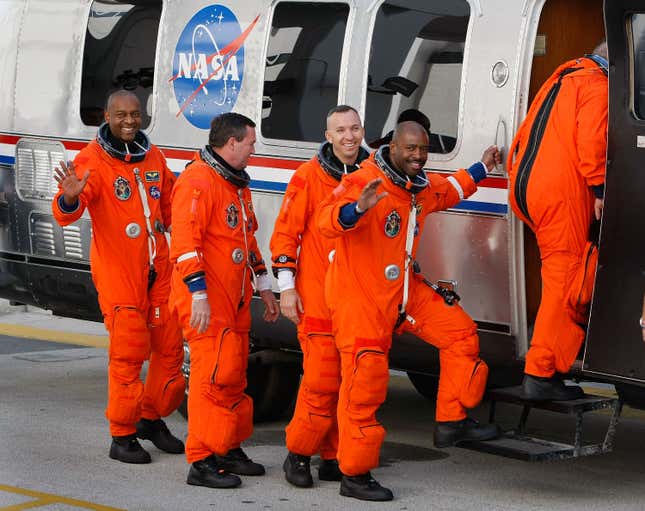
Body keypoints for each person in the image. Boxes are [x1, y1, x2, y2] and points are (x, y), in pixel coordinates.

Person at [317, 121, 501, 501]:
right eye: (411, 149)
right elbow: (326, 220)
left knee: (460, 334)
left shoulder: (416, 186)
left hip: (402, 294)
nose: (418, 156)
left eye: (423, 149)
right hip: (361, 300)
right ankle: (354, 475)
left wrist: (482, 167)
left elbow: (448, 191)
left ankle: (452, 421)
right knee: (364, 387)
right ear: (394, 147)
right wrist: (357, 209)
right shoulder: (364, 180)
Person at [52, 90, 185, 464]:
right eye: (121, 115)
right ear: (106, 116)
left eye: (135, 114)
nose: (130, 121)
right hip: (119, 273)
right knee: (128, 353)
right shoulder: (91, 161)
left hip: (158, 270)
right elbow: (65, 212)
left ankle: (150, 417)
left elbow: (171, 205)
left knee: (171, 349)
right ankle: (122, 434)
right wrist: (70, 198)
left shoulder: (152, 156)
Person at [169, 112, 280, 489]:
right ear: (231, 143)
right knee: (208, 381)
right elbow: (185, 246)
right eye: (250, 143)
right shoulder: (197, 181)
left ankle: (228, 446)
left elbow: (247, 241)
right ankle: (201, 460)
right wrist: (198, 295)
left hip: (232, 301)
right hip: (206, 303)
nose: (253, 149)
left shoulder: (234, 185)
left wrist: (264, 287)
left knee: (232, 379)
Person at [270, 105, 370, 488]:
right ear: (327, 136)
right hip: (317, 299)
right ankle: (298, 454)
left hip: (357, 303)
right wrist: (288, 288)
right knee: (321, 383)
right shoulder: (308, 177)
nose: (349, 137)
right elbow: (285, 235)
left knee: (351, 385)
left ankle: (333, 456)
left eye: (355, 129)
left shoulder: (374, 175)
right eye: (341, 130)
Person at [507, 42, 609, 401]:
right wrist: (600, 189)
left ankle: (547, 363)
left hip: (526, 186)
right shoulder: (597, 84)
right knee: (565, 280)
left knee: (559, 273)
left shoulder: (565, 73)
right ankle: (540, 373)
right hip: (559, 194)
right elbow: (593, 143)